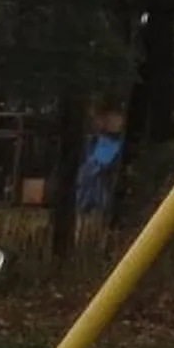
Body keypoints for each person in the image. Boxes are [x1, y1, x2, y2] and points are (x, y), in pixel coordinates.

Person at [74, 106, 126, 252]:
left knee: (102, 220)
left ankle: (101, 246)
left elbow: (104, 162)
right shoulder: (92, 142)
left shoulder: (113, 145)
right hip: (87, 190)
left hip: (102, 190)